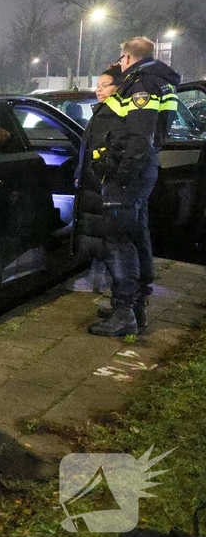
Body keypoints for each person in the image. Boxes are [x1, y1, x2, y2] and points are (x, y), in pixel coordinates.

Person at [85, 37, 180, 337]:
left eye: (121, 58)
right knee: (137, 235)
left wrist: (120, 173)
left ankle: (124, 311)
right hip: (140, 173)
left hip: (129, 176)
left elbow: (139, 137)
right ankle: (135, 305)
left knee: (119, 241)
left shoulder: (142, 84)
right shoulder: (158, 80)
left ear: (127, 57)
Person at [70, 66, 122, 295]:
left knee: (104, 235)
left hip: (100, 182)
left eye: (105, 85)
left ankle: (106, 282)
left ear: (118, 87)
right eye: (97, 86)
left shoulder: (114, 114)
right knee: (98, 234)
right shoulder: (102, 111)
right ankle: (99, 281)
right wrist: (79, 174)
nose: (99, 90)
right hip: (91, 181)